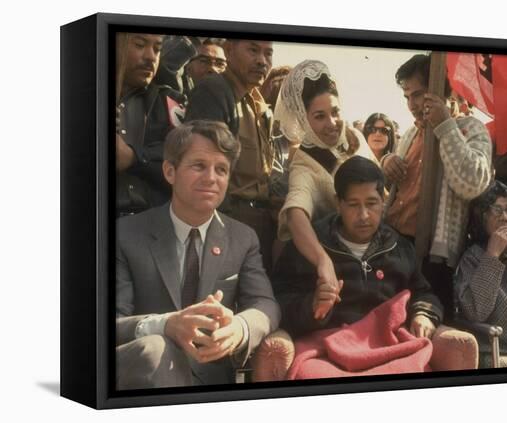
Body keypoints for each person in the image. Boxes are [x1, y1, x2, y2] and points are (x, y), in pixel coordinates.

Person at [116, 120, 281, 389]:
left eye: (222, 169)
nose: (212, 178)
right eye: (199, 166)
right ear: (170, 171)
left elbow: (265, 305)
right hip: (143, 380)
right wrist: (166, 325)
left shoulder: (243, 238)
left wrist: (239, 328)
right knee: (157, 348)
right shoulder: (126, 234)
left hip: (210, 381)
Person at [273, 156, 442, 339]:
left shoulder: (398, 247)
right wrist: (312, 306)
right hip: (326, 345)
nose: (363, 215)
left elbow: (423, 293)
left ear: (382, 201)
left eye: (371, 203)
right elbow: (279, 301)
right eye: (353, 205)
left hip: (389, 342)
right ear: (338, 204)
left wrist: (423, 314)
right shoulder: (310, 246)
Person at [381, 53, 493, 309]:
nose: (411, 104)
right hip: (394, 245)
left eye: (418, 94)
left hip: (435, 258)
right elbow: (397, 191)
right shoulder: (410, 134)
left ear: (443, 90)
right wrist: (386, 163)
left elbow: (472, 183)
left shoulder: (472, 129)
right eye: (407, 97)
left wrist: (444, 126)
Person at [274, 59, 377, 319]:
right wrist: (322, 260)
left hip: (376, 252)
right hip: (339, 264)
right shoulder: (304, 163)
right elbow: (296, 211)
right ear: (303, 119)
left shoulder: (354, 137)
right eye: (319, 116)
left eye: (335, 111)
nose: (332, 123)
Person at [184, 39, 276, 273]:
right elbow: (205, 168)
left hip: (259, 220)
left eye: (268, 53)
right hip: (228, 221)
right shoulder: (215, 90)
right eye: (253, 50)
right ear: (229, 50)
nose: (261, 61)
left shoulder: (256, 102)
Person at [116, 33, 187, 217]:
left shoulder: (169, 101)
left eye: (157, 49)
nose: (150, 57)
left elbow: (184, 160)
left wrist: (133, 157)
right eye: (140, 45)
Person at [455, 181, 507, 367]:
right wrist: (492, 255)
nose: (505, 216)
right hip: (503, 349)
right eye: (496, 210)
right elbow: (475, 312)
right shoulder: (473, 257)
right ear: (482, 218)